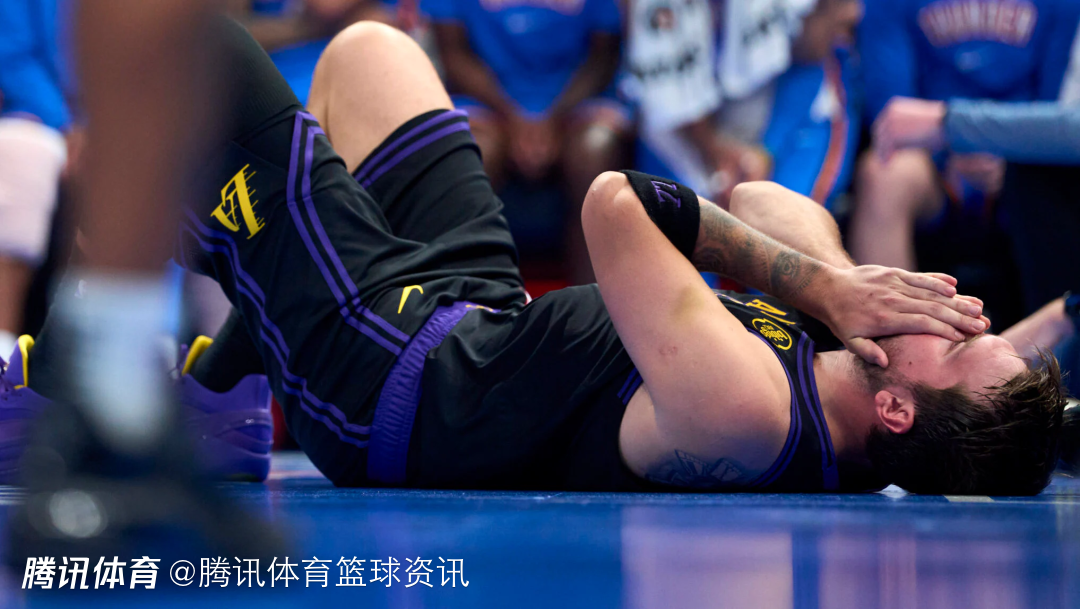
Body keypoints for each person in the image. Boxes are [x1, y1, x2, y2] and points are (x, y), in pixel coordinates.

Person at [3, 20, 1065, 496]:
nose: (953, 307)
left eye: (958, 340)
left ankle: (73, 381)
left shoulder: (754, 412)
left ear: (897, 408)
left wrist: (828, 284)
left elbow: (619, 206)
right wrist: (842, 289)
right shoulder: (847, 358)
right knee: (373, 55)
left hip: (387, 386)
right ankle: (220, 390)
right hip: (477, 322)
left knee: (188, 51)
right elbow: (760, 204)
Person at [849, 0, 1080, 271]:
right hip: (931, 163)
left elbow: (1059, 116)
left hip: (1027, 161)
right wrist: (948, 153)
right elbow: (891, 115)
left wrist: (1004, 153)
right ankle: (886, 298)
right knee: (883, 174)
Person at [425, 0, 629, 283]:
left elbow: (603, 57)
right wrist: (514, 118)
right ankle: (466, 295)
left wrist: (553, 119)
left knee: (595, 150)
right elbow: (454, 54)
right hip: (486, 102)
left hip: (576, 102)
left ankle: (596, 299)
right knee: (472, 152)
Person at [629, 0, 863, 210]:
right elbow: (664, 92)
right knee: (677, 229)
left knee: (784, 226)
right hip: (685, 128)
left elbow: (811, 55)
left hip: (789, 108)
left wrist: (766, 151)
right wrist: (714, 155)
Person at [0, 0, 73, 360]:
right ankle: (3, 347)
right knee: (27, 150)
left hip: (111, 124)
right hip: (35, 116)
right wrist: (66, 125)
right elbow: (12, 56)